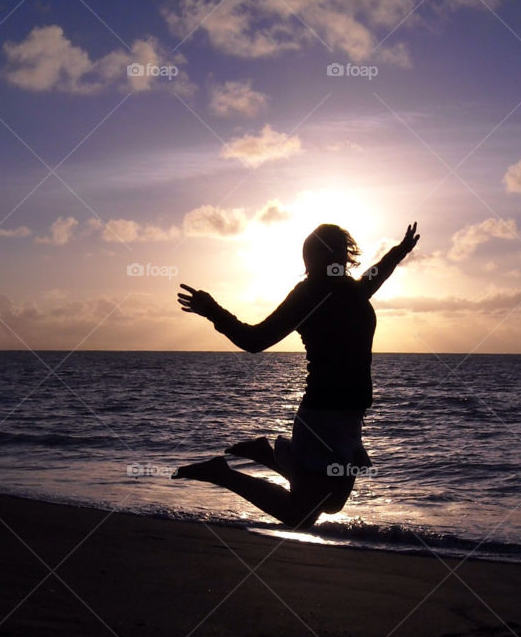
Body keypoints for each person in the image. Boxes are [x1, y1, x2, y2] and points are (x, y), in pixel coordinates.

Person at [175, 221, 420, 529]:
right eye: (332, 252)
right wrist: (213, 311)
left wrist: (400, 250)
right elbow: (255, 340)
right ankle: (222, 473)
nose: (339, 259)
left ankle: (272, 456)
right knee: (300, 515)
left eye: (340, 253)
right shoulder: (309, 295)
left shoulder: (354, 290)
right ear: (316, 258)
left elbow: (380, 271)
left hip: (350, 418)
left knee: (330, 504)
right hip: (321, 418)